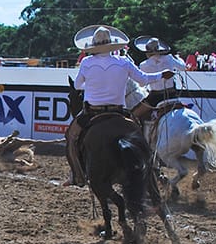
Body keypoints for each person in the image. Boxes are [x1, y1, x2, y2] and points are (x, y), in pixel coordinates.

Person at [65, 25, 174, 187]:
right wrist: (161, 75)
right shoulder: (124, 62)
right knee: (141, 136)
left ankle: (77, 176)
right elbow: (143, 79)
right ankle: (150, 173)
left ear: (93, 45)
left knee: (71, 138)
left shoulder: (87, 62)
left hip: (93, 111)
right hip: (119, 111)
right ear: (112, 44)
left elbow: (79, 85)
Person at [135, 36, 187, 108]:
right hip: (171, 94)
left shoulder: (143, 65)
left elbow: (142, 84)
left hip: (155, 97)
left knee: (135, 114)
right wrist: (178, 58)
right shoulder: (169, 58)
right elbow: (183, 67)